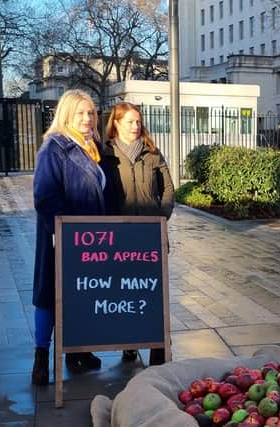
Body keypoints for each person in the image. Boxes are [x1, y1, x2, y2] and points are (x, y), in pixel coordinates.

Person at [31, 89, 105, 385]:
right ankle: (41, 357)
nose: (87, 118)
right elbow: (44, 197)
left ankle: (78, 351)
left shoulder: (94, 147)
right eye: (81, 113)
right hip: (60, 238)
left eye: (91, 113)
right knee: (49, 295)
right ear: (66, 115)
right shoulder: (55, 147)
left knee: (83, 294)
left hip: (91, 240)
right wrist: (65, 233)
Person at [101, 102, 174, 366]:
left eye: (138, 121)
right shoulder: (104, 154)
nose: (135, 126)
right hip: (120, 236)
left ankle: (159, 348)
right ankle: (129, 344)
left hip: (151, 235)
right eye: (130, 121)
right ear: (116, 123)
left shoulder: (152, 153)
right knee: (126, 292)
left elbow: (168, 189)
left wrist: (160, 215)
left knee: (153, 291)